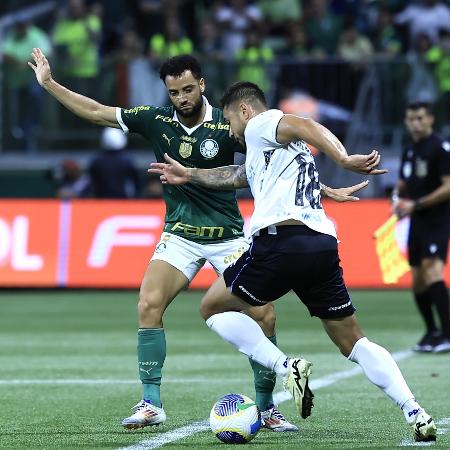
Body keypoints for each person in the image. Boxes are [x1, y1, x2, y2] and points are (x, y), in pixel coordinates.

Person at [29, 49, 367, 432]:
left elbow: (276, 165)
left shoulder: (228, 126)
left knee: (264, 314)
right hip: (181, 234)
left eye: (188, 89)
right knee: (149, 303)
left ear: (202, 84)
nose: (182, 98)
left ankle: (268, 407)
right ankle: (151, 403)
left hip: (229, 236)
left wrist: (322, 188)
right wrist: (49, 83)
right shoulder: (154, 121)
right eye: (174, 92)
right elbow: (95, 111)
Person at [149, 81, 437, 443]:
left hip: (279, 244)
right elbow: (240, 176)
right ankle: (414, 410)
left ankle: (287, 367)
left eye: (231, 124)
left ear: (244, 111)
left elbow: (305, 124)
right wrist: (190, 174)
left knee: (212, 308)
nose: (232, 134)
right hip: (320, 246)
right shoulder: (272, 149)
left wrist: (344, 159)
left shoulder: (260, 123)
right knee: (353, 341)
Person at [392, 102, 450, 354]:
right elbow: (404, 181)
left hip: (437, 218)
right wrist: (397, 195)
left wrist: (415, 203)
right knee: (417, 279)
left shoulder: (440, 147)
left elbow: (448, 186)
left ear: (430, 120)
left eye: (419, 118)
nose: (414, 123)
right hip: (417, 220)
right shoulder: (410, 150)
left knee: (432, 271)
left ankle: (447, 333)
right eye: (410, 119)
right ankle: (432, 331)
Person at [89, 127, 141, 199]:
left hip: (102, 201)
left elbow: (92, 184)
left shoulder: (97, 161)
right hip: (123, 201)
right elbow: (136, 184)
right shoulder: (127, 160)